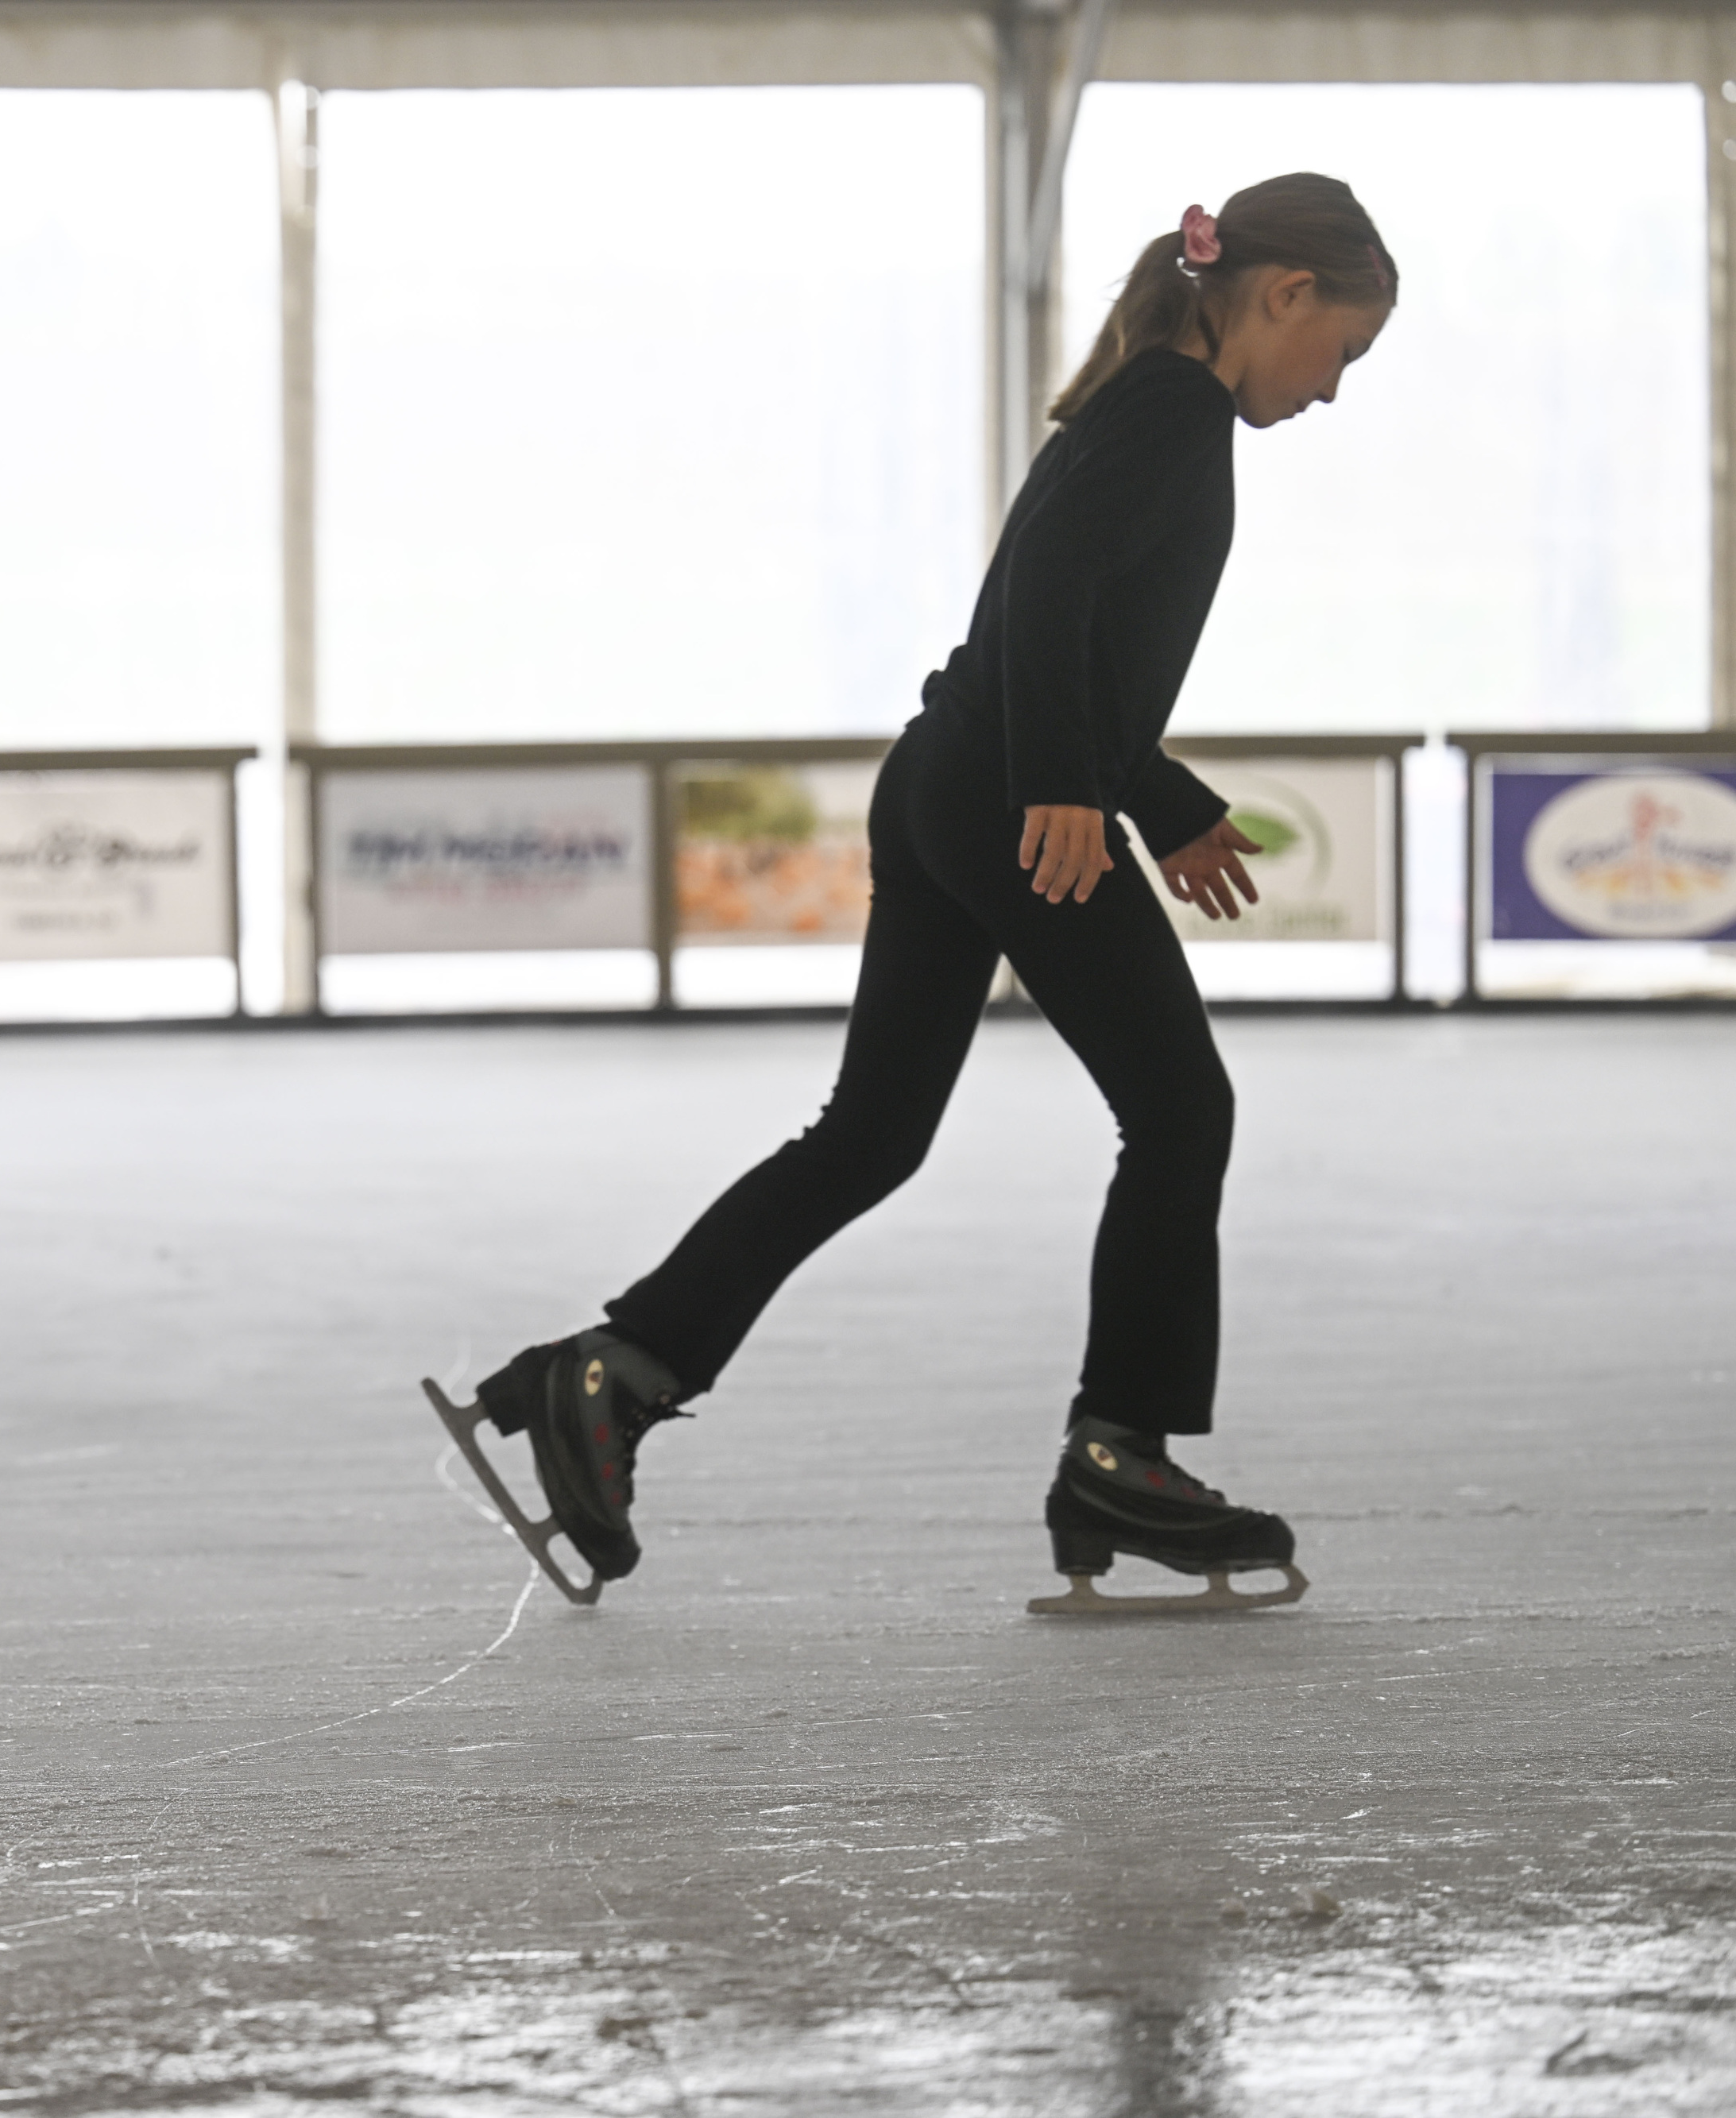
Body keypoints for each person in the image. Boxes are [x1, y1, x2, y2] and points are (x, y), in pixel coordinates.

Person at [438, 176, 1398, 1610]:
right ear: (1284, 295)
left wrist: (1155, 793)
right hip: (1003, 792)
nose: (1336, 391)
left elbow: (1068, 638)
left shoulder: (1146, 399)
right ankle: (1119, 1455)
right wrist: (1070, 788)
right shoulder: (1177, 414)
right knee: (1182, 1109)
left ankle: (612, 1376)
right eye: (1346, 352)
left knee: (874, 1131)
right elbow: (1051, 597)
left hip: (947, 777)